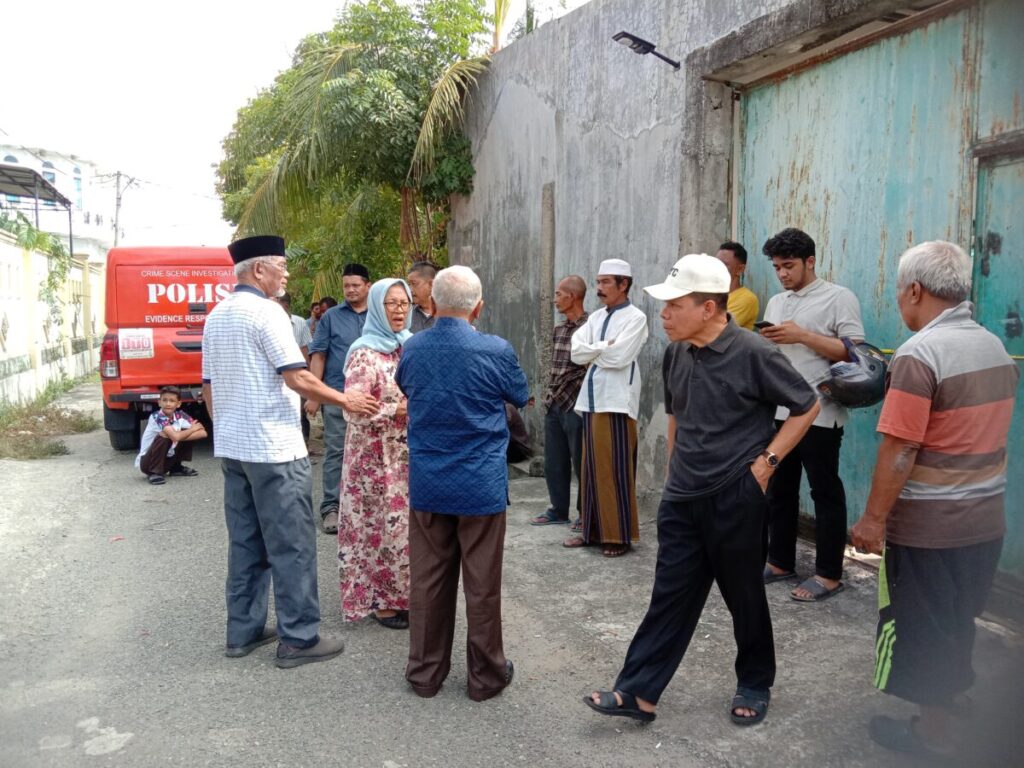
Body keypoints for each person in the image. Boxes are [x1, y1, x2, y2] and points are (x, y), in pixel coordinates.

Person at [583, 253, 819, 726]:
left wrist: (766, 465)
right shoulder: (677, 352)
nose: (664, 315)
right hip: (682, 496)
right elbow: (676, 413)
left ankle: (755, 681)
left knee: (743, 595)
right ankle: (638, 693)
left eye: (674, 305)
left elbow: (806, 404)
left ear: (708, 307)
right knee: (669, 595)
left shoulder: (753, 352)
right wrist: (675, 467)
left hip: (735, 494)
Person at [849, 241, 1018, 761]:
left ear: (916, 291)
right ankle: (955, 697)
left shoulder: (919, 354)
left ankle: (934, 734)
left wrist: (873, 520)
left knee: (923, 627)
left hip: (930, 527)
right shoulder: (993, 346)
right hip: (985, 519)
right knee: (958, 616)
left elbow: (900, 448)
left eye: (900, 290)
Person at [202, 235, 379, 668]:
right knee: (292, 544)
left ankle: (242, 631)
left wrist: (226, 426)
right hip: (274, 448)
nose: (286, 273)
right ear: (258, 269)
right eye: (281, 266)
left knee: (246, 541)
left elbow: (208, 386)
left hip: (235, 448)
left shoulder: (217, 315)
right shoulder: (269, 313)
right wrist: (346, 399)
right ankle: (299, 637)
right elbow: (297, 377)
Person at [396, 265, 529, 701]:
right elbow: (520, 394)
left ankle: (425, 674)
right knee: (482, 584)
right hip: (480, 483)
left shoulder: (413, 348)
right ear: (479, 307)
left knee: (428, 581)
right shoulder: (496, 350)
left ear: (432, 304)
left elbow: (407, 388)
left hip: (429, 481)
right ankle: (486, 677)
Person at [760, 228, 865, 601]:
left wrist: (802, 335)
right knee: (780, 489)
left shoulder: (839, 297)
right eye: (777, 267)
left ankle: (829, 574)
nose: (782, 274)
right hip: (781, 410)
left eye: (788, 266)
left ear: (810, 261)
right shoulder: (776, 302)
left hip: (822, 411)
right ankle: (780, 561)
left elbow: (855, 353)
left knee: (825, 492)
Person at [338, 279, 413, 630]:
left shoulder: (409, 346)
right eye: (391, 303)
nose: (399, 310)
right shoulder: (364, 353)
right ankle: (381, 602)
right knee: (376, 528)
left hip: (404, 455)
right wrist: (395, 410)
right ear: (377, 307)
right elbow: (352, 409)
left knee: (403, 529)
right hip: (371, 459)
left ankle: (404, 595)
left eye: (404, 303)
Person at [562, 258, 648, 557]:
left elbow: (619, 358)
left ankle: (618, 536)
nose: (599, 288)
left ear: (624, 284)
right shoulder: (596, 318)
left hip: (617, 402)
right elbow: (576, 353)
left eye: (606, 282)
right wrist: (604, 347)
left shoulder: (636, 318)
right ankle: (592, 532)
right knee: (590, 470)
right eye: (598, 282)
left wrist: (594, 352)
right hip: (592, 399)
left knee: (615, 469)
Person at [306, 267, 371, 534]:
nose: (350, 290)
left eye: (355, 285)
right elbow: (319, 355)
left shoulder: (380, 314)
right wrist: (314, 395)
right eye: (346, 286)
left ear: (368, 286)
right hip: (337, 396)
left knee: (371, 452)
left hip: (372, 399)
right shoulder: (331, 317)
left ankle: (366, 508)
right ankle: (331, 507)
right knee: (336, 451)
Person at [531, 275, 588, 526]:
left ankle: (585, 513)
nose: (554, 300)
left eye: (558, 294)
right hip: (554, 401)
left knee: (582, 461)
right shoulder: (559, 329)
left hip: (576, 403)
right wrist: (549, 396)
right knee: (554, 461)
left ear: (572, 296)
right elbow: (555, 368)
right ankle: (558, 509)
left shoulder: (591, 326)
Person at [135, 385, 207, 484]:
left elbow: (203, 433)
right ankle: (154, 473)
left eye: (172, 401)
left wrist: (183, 434)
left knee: (184, 432)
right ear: (159, 402)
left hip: (167, 461)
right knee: (165, 435)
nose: (168, 404)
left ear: (178, 404)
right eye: (164, 400)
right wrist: (189, 431)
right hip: (148, 463)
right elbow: (176, 436)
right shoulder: (157, 416)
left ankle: (175, 468)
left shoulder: (181, 415)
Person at [275, 293, 314, 445]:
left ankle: (303, 443)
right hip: (276, 376)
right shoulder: (265, 321)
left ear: (285, 304)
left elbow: (304, 349)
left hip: (298, 373)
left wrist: (309, 376)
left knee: (300, 410)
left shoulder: (299, 323)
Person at [715, 241, 759, 331]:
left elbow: (715, 329)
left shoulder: (747, 299)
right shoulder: (710, 294)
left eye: (723, 264)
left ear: (740, 269)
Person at [407, 261, 437, 333]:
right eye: (409, 284)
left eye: (414, 283)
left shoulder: (449, 314)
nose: (410, 289)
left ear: (431, 284)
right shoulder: (407, 315)